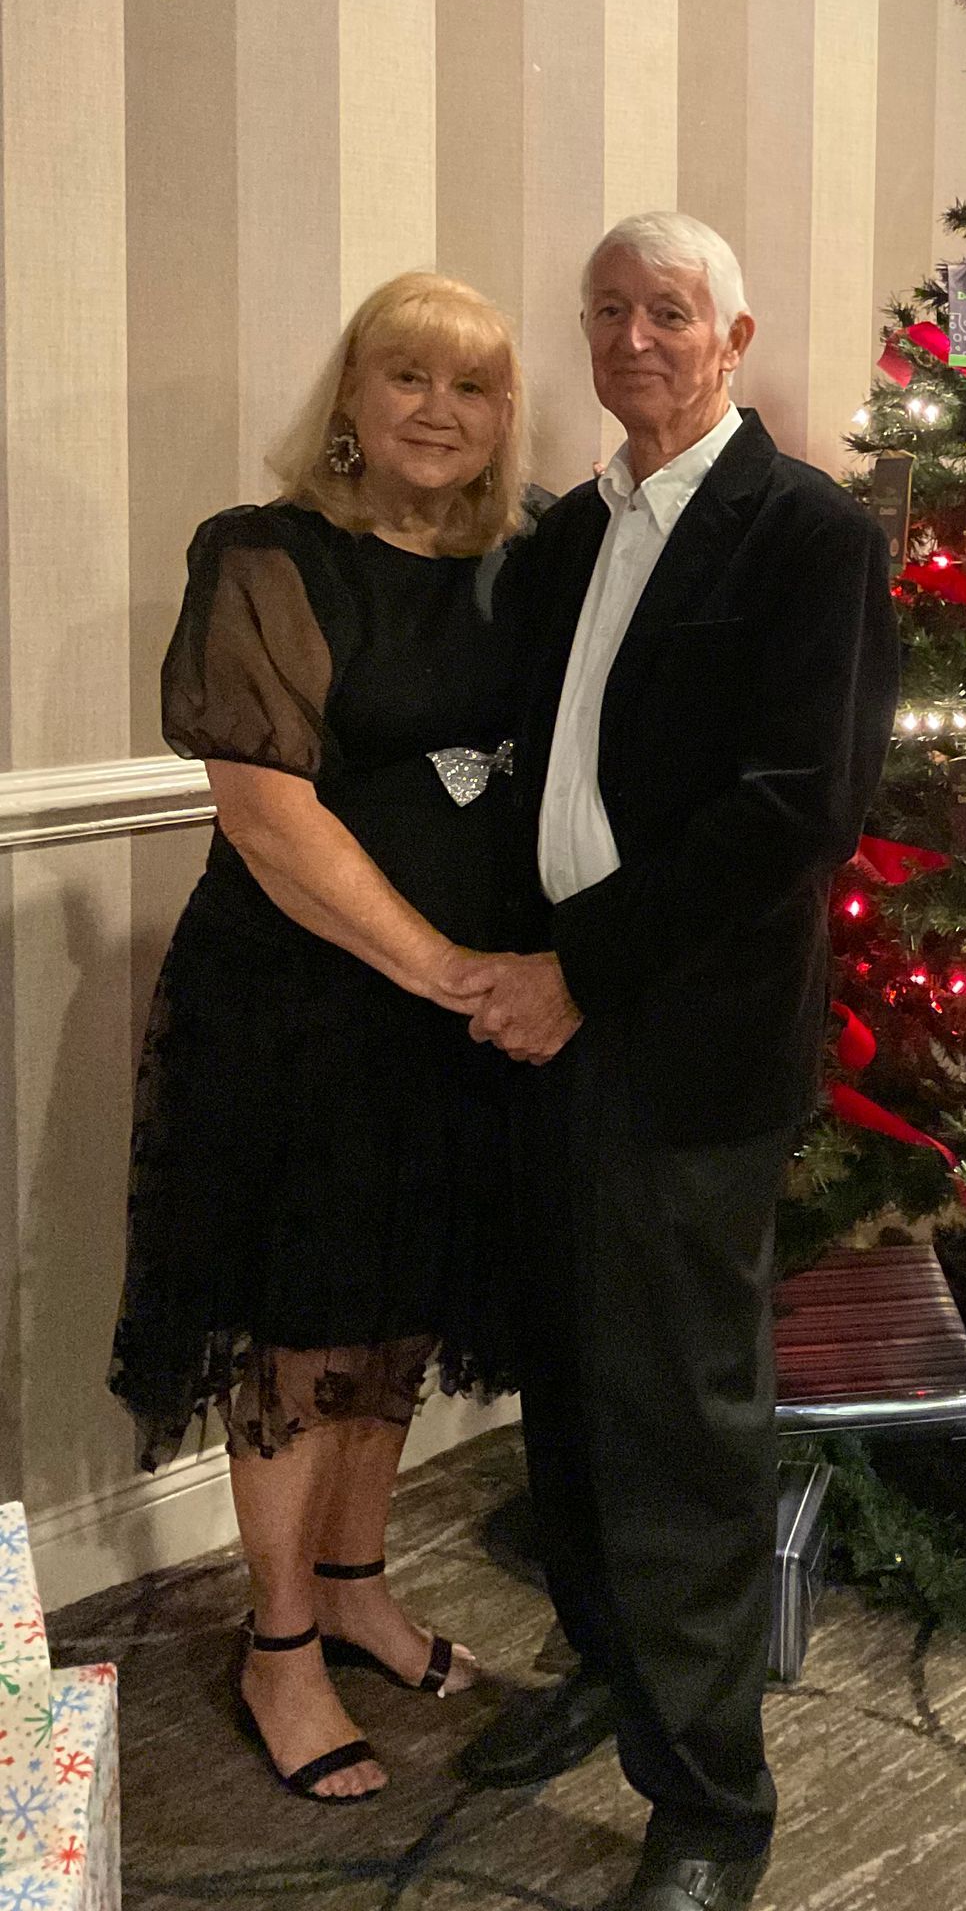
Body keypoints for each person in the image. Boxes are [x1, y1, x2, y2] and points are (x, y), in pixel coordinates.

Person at [454, 213, 899, 1911]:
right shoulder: (571, 534)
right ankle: (604, 1668)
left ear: (735, 336)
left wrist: (582, 972)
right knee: (566, 1391)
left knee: (682, 1425)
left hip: (684, 1045)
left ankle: (713, 1802)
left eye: (670, 313)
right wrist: (511, 972)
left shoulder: (808, 537)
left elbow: (800, 809)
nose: (636, 337)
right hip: (540, 1021)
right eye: (610, 312)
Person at [109, 273, 533, 1803]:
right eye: (405, 377)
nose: (438, 410)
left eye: (472, 387)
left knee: (397, 1311)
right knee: (301, 1327)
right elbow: (269, 822)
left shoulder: (521, 561)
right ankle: (277, 1638)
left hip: (452, 1018)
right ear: (350, 399)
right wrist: (448, 969)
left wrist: (487, 986)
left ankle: (355, 1580)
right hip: (302, 1009)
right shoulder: (264, 555)